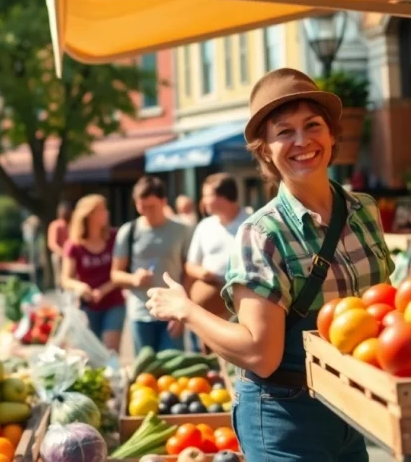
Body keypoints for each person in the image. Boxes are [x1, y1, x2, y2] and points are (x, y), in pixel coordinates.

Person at [145, 68, 393, 462]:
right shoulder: (261, 234)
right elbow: (261, 354)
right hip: (285, 416)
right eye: (284, 132)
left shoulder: (363, 211)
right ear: (266, 150)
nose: (302, 141)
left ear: (331, 134)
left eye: (313, 125)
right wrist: (186, 310)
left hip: (353, 407)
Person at [111, 176, 192, 354]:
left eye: (152, 207)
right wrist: (134, 279)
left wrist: (184, 309)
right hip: (141, 312)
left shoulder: (181, 230)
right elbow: (115, 274)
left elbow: (189, 274)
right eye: (142, 206)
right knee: (146, 372)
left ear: (163, 202)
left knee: (174, 369)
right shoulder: (128, 231)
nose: (147, 211)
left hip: (172, 311)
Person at [61, 195, 124, 351]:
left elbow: (121, 271)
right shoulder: (74, 246)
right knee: (90, 352)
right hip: (88, 306)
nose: (106, 213)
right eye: (101, 210)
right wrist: (79, 287)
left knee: (111, 349)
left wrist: (103, 290)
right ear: (88, 214)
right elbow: (65, 278)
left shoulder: (114, 238)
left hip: (113, 301)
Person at [185, 173, 252, 321]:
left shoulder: (252, 223)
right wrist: (202, 273)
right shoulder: (204, 226)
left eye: (207, 196)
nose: (203, 201)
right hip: (210, 315)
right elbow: (190, 265)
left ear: (223, 197)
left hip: (245, 306)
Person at [46, 202, 71, 289]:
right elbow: (52, 243)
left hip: (71, 255)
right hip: (60, 255)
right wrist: (63, 253)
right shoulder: (55, 225)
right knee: (60, 277)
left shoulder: (71, 225)